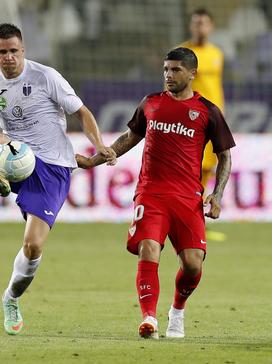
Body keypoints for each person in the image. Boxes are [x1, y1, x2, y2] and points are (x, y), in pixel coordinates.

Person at [0, 23, 116, 335]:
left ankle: (11, 297)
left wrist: (98, 146)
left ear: (23, 50)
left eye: (13, 51)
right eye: (2, 52)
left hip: (53, 168)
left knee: (32, 246)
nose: (8, 57)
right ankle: (0, 170)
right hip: (21, 157)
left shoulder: (46, 76)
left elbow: (82, 112)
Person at [76, 47, 235, 339]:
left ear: (192, 73)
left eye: (175, 70)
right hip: (151, 194)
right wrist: (92, 160)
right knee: (148, 248)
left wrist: (218, 194)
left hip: (188, 198)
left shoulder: (208, 111)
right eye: (165, 70)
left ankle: (177, 310)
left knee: (192, 264)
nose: (168, 75)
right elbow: (128, 138)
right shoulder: (150, 104)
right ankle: (149, 317)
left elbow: (224, 155)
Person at [180, 8, 226, 241]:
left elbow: (216, 87)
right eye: (196, 23)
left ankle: (197, 224)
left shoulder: (217, 54)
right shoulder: (183, 53)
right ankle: (185, 221)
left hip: (214, 120)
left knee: (207, 170)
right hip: (192, 121)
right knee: (191, 172)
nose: (200, 27)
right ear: (191, 26)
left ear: (211, 27)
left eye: (204, 23)